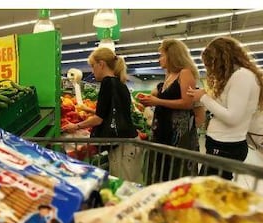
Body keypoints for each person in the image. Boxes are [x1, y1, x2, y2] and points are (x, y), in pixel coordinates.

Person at [187, 36, 263, 180]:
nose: (211, 69)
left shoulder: (242, 76)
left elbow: (232, 117)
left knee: (210, 191)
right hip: (222, 144)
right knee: (213, 189)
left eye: (211, 63)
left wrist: (203, 98)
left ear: (221, 59)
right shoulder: (237, 76)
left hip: (225, 146)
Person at [61, 47, 140, 182]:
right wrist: (90, 110)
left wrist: (76, 126)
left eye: (93, 66)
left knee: (123, 187)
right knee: (129, 183)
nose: (92, 71)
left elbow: (99, 119)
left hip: (122, 146)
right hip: (129, 143)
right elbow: (112, 112)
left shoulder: (107, 82)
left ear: (101, 64)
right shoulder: (119, 83)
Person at [139, 39, 200, 184]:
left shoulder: (185, 73)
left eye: (162, 55)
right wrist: (149, 100)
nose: (159, 59)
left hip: (177, 135)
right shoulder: (168, 76)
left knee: (176, 173)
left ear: (172, 55)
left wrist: (157, 101)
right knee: (161, 172)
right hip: (162, 131)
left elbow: (187, 103)